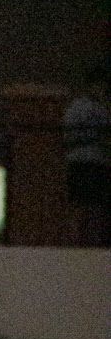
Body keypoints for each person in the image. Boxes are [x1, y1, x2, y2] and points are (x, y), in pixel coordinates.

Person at [62, 73, 110, 247]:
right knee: (79, 204)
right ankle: (76, 241)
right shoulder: (77, 107)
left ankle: (92, 241)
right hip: (80, 161)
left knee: (95, 205)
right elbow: (68, 134)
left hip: (96, 161)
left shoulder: (102, 108)